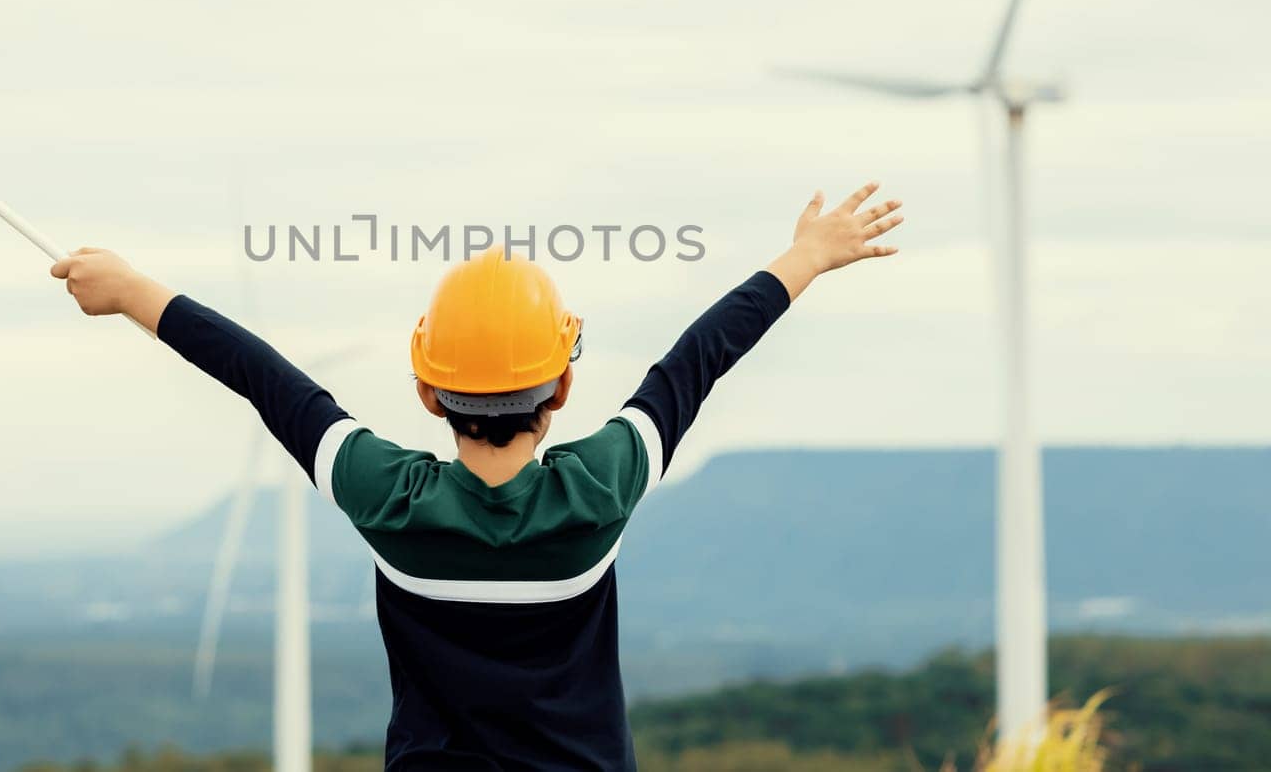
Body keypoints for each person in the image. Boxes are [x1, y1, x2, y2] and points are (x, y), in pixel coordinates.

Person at [51, 182, 904, 770]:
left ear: (428, 391)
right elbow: (699, 358)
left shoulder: (385, 496)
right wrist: (807, 256)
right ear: (562, 386)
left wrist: (131, 290)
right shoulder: (600, 488)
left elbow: (268, 380)